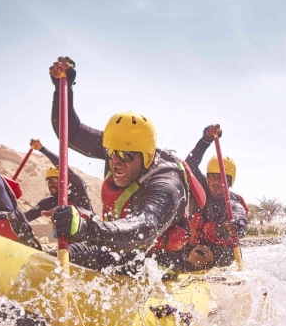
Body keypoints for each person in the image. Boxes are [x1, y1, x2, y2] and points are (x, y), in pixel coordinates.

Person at [46, 56, 195, 273]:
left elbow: (145, 228)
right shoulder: (116, 149)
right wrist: (63, 89)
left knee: (89, 257)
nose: (115, 160)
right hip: (118, 249)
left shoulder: (167, 185)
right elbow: (70, 133)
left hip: (160, 264)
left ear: (145, 155)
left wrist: (87, 229)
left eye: (124, 155)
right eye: (110, 153)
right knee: (60, 257)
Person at [184, 124, 248, 269]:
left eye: (220, 178)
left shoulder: (233, 203)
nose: (215, 182)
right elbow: (189, 165)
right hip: (196, 245)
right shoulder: (202, 191)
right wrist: (205, 140)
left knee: (198, 255)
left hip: (222, 252)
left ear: (230, 181)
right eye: (212, 177)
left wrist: (236, 225)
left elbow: (240, 216)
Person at [24, 138, 93, 222]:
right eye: (49, 181)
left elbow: (64, 167)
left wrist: (42, 149)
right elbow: (26, 217)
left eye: (54, 180)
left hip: (91, 231)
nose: (51, 184)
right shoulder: (49, 202)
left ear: (65, 181)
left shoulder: (79, 191)